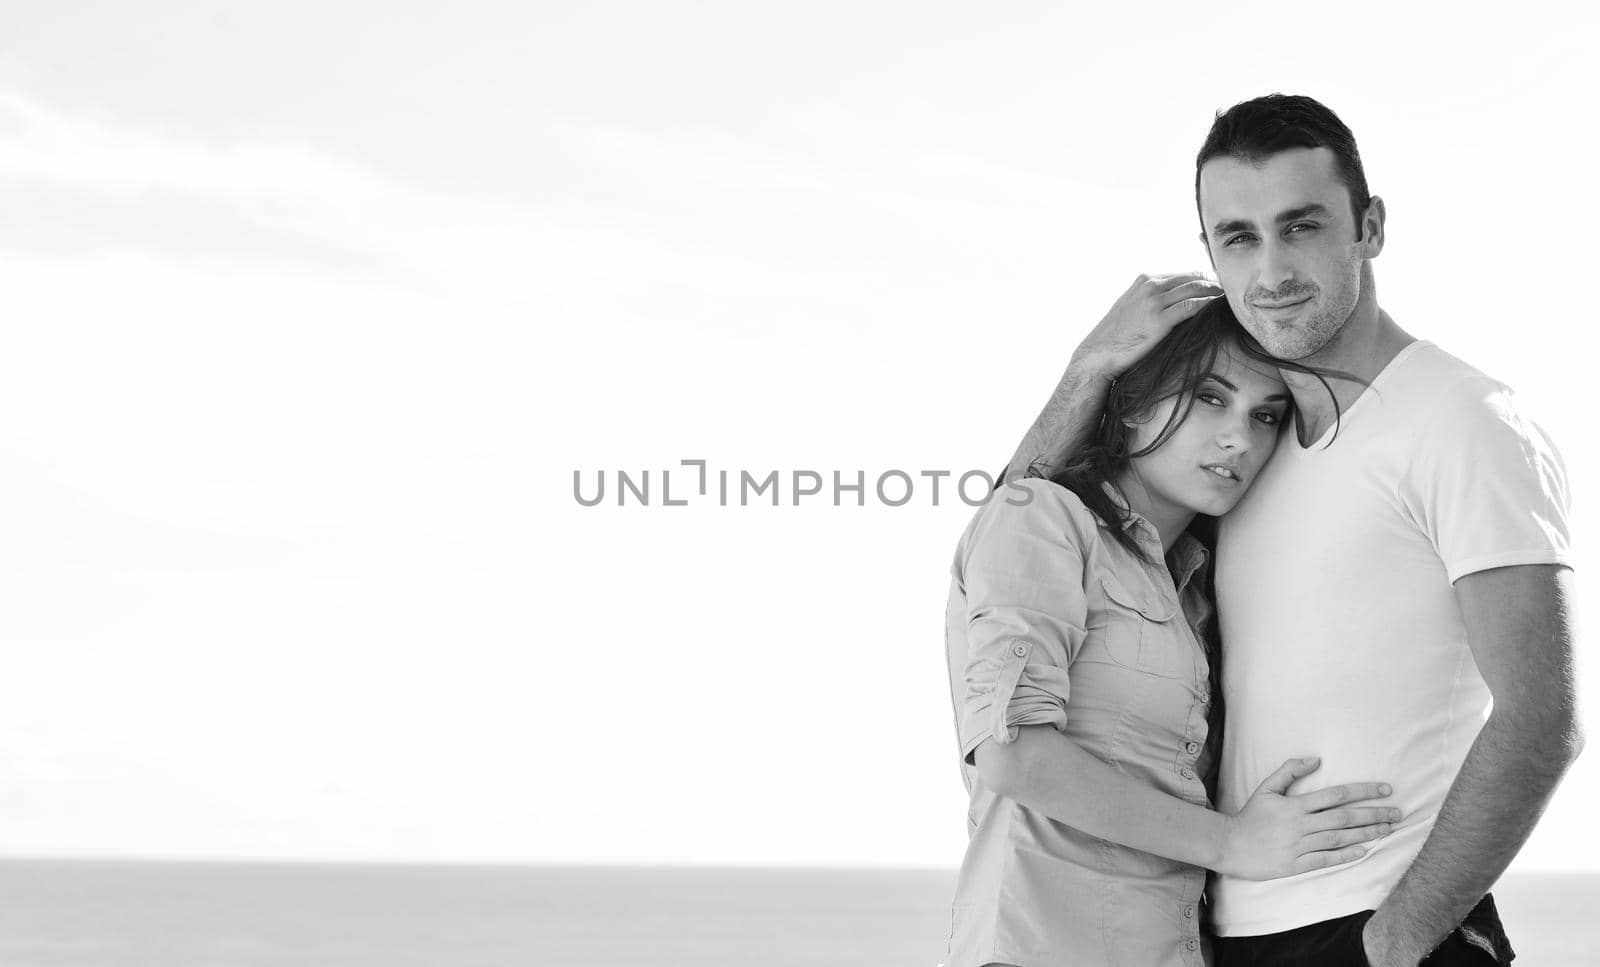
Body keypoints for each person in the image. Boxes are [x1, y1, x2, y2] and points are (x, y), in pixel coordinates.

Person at [1002, 94, 1578, 966]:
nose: (1271, 270)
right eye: (1239, 236)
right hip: (1230, 932)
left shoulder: (1465, 419)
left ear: (1370, 227)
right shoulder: (1245, 454)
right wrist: (1088, 368)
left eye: (1301, 227)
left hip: (1385, 923)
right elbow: (1009, 548)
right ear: (1211, 256)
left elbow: (1544, 718)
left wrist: (1399, 939)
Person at [944, 298, 1401, 967]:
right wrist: (1233, 842)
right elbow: (1015, 753)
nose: (1238, 437)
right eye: (1209, 397)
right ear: (1133, 404)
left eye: (1265, 414)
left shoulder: (1202, 591)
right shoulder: (1043, 521)